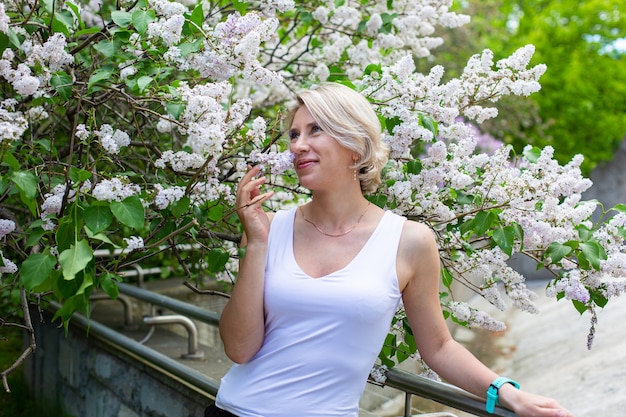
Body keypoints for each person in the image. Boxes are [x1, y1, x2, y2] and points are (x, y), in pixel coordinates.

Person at [206, 82, 573, 417]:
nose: (298, 145)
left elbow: (440, 347)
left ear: (355, 146)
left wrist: (506, 392)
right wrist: (255, 245)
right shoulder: (268, 229)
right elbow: (239, 349)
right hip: (234, 410)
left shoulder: (409, 241)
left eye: (316, 129)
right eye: (294, 134)